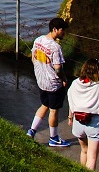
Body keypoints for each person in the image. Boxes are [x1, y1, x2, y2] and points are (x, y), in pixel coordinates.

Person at [26, 17, 73, 147]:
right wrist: (64, 79)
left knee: (44, 105)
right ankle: (54, 138)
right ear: (55, 30)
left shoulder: (38, 40)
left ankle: (31, 131)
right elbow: (58, 68)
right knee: (53, 111)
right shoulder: (55, 47)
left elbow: (33, 58)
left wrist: (40, 70)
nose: (64, 33)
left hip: (41, 81)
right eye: (62, 30)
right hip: (53, 84)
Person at [67, 59, 99, 170]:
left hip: (78, 122)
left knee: (84, 151)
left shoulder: (75, 83)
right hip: (94, 124)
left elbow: (71, 102)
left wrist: (70, 117)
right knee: (92, 157)